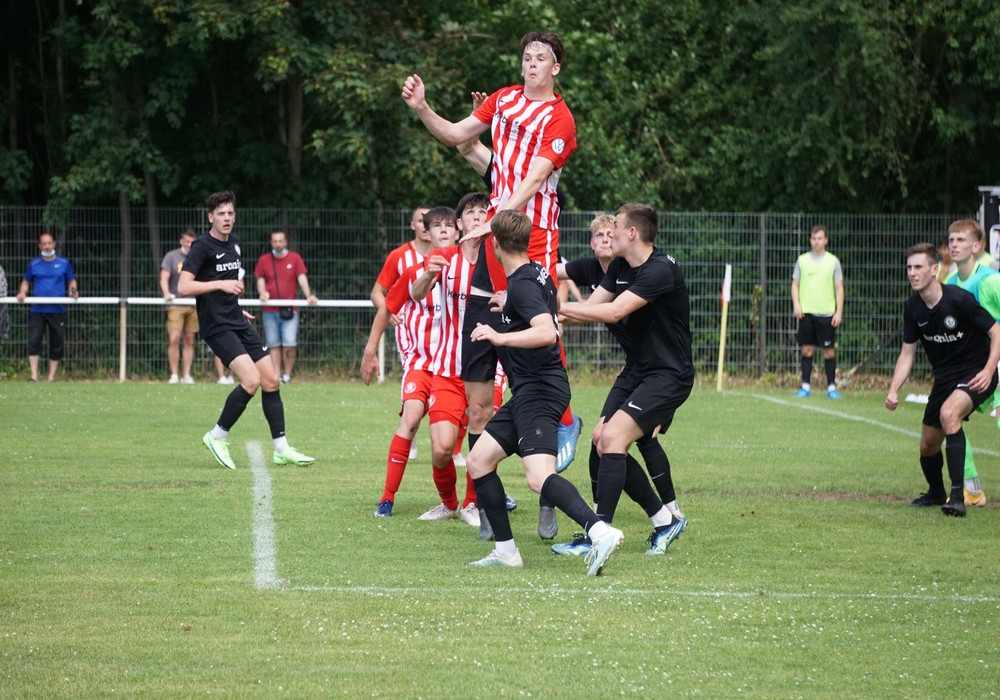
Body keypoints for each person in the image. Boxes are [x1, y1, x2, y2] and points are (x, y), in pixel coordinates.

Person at [402, 31, 584, 473]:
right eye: (527, 57)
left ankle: (563, 421)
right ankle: (483, 478)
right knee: (486, 327)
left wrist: (496, 217)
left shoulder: (560, 118)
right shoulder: (503, 100)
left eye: (541, 58)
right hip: (496, 235)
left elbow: (535, 179)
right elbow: (456, 136)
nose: (532, 63)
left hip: (534, 235)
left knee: (540, 325)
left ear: (556, 68)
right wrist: (423, 107)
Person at [465, 209, 624, 575]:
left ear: (495, 244)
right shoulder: (536, 272)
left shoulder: (522, 284)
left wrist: (499, 336)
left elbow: (546, 331)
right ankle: (506, 552)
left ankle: (600, 532)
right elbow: (543, 307)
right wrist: (509, 303)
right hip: (530, 391)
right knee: (479, 461)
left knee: (538, 477)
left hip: (539, 390)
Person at [550, 213, 686, 556]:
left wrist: (552, 306)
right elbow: (589, 308)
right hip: (637, 369)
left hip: (667, 374)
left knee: (613, 438)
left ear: (632, 233)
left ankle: (597, 535)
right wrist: (538, 310)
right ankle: (664, 521)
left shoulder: (659, 269)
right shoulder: (620, 267)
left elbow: (612, 312)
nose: (609, 234)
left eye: (616, 228)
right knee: (601, 439)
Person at [178, 191, 314, 469]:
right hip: (217, 326)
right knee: (251, 380)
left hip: (236, 320)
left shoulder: (235, 244)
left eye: (230, 213)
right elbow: (183, 287)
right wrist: (220, 285)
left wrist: (236, 307)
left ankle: (281, 449)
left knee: (271, 380)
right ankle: (216, 436)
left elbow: (227, 290)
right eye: (221, 214)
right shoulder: (201, 246)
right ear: (211, 217)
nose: (226, 218)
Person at [361, 206, 473, 521]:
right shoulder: (407, 263)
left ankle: (478, 497)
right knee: (411, 420)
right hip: (421, 361)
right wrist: (371, 349)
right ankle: (387, 497)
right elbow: (384, 301)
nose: (437, 229)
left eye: (445, 224)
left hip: (458, 365)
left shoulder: (470, 264)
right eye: (432, 224)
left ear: (457, 230)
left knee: (473, 429)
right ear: (420, 228)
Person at [885, 243, 1000, 517]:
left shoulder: (959, 300)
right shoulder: (913, 307)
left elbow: (996, 331)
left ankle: (958, 497)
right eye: (909, 267)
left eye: (918, 267)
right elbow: (907, 353)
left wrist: (989, 370)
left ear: (934, 269)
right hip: (945, 378)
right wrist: (893, 389)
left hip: (975, 370)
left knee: (950, 414)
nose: (912, 273)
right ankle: (936, 492)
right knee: (928, 444)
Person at [941, 218, 996, 506]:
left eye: (961, 240)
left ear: (977, 246)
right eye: (951, 240)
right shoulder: (950, 284)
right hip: (974, 365)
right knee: (949, 415)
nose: (954, 244)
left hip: (994, 363)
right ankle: (972, 488)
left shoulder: (990, 280)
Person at [253, 230, 318, 383]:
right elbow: (260, 280)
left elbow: (302, 278)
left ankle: (287, 375)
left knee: (290, 343)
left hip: (290, 309)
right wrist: (262, 293)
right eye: (275, 241)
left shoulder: (295, 258)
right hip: (269, 310)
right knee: (273, 344)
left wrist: (308, 295)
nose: (278, 244)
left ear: (285, 242)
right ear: (271, 243)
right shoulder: (264, 260)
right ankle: (276, 375)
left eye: (280, 241)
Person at [791, 225, 844, 399]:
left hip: (826, 314)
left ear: (826, 240)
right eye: (814, 238)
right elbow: (795, 284)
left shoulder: (833, 262)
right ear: (810, 240)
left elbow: (839, 288)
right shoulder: (802, 260)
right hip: (806, 313)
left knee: (828, 351)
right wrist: (796, 304)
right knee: (806, 350)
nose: (816, 242)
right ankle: (805, 387)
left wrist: (838, 312)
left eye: (820, 238)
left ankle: (831, 388)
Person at [16, 232, 78, 382]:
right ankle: (34, 376)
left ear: (54, 244)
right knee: (34, 340)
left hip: (57, 310)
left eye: (49, 243)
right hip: (37, 310)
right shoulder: (34, 263)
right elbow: (26, 281)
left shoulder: (64, 263)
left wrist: (73, 291)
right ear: (40, 246)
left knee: (57, 343)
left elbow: (71, 281)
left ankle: (51, 377)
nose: (47, 246)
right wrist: (22, 293)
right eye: (44, 244)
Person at [160, 228, 199, 384]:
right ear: (181, 241)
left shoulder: (198, 257)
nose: (189, 245)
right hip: (176, 304)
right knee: (174, 338)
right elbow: (164, 277)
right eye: (187, 241)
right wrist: (166, 293)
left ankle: (186, 375)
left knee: (189, 340)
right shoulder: (171, 256)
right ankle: (174, 375)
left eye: (192, 242)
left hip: (194, 304)